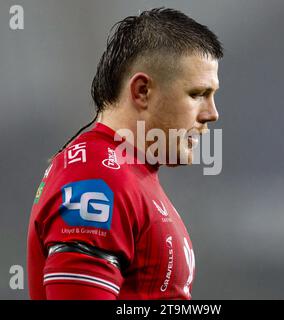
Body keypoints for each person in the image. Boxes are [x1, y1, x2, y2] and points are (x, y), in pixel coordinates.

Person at [27, 7, 223, 300]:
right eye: (197, 94)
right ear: (142, 91)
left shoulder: (127, 174)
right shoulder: (96, 178)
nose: (212, 114)